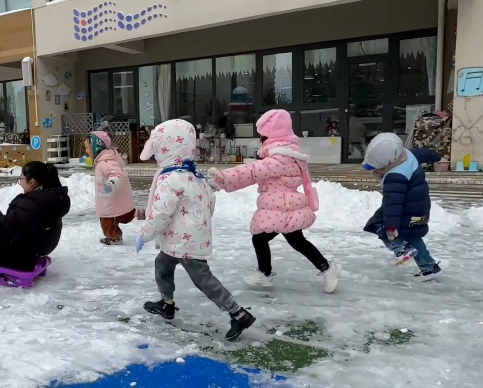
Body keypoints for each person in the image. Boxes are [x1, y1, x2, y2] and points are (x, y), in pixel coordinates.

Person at [135, 119, 256, 341]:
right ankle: (167, 303)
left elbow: (161, 213)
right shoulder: (194, 176)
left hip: (184, 243)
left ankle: (238, 313)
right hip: (185, 239)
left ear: (165, 148)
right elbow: (210, 205)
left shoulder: (170, 180)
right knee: (162, 263)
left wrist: (145, 233)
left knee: (203, 279)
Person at [212, 109, 341, 293]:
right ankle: (324, 269)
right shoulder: (290, 155)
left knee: (267, 239)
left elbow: (252, 172)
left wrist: (223, 177)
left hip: (281, 208)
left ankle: (322, 269)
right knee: (290, 241)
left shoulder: (278, 159)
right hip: (284, 206)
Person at [361, 132, 442, 281]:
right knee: (413, 235)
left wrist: (391, 227)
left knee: (378, 225)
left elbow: (393, 203)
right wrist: (437, 155)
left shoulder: (395, 176)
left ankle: (401, 250)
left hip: (405, 209)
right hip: (420, 208)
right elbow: (424, 154)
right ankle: (430, 268)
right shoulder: (408, 155)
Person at [85, 131, 143, 245]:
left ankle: (114, 237)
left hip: (109, 202)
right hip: (119, 200)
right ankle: (138, 213)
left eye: (87, 147)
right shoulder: (109, 158)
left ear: (96, 147)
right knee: (125, 213)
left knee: (107, 221)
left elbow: (116, 175)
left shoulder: (105, 162)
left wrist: (111, 183)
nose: (86, 151)